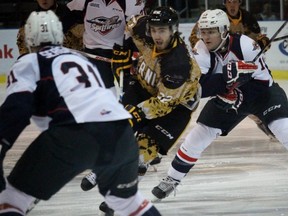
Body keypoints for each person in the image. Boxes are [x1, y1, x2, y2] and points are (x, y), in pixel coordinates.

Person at [0, 10, 161, 216]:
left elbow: (16, 109)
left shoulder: (29, 62)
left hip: (73, 133)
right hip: (121, 132)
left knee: (12, 199)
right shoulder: (81, 59)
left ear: (28, 38)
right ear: (60, 35)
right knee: (127, 202)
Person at [151, 9, 288, 201]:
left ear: (224, 31)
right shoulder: (200, 49)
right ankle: (173, 179)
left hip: (262, 96)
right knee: (197, 137)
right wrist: (226, 79)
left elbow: (265, 82)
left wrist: (242, 79)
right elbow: (199, 87)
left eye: (211, 31)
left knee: (284, 130)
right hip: (227, 97)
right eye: (203, 31)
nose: (205, 36)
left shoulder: (246, 45)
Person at [88, 6, 202, 215]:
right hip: (142, 85)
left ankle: (120, 194)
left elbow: (163, 103)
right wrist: (123, 51)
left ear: (174, 30)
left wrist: (137, 114)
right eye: (154, 29)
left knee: (144, 150)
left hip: (176, 106)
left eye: (163, 30)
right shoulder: (143, 29)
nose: (157, 35)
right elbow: (129, 26)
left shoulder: (179, 65)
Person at [189, 0, 276, 141]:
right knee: (220, 90)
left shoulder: (248, 18)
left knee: (247, 96)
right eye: (229, 2)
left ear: (239, 3)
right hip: (214, 59)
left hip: (238, 60)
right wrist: (206, 51)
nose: (232, 5)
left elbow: (254, 43)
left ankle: (260, 120)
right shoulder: (214, 16)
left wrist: (260, 43)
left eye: (235, 1)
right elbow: (196, 38)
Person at [17, 0, 84, 55]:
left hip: (69, 61)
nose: (44, 0)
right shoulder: (30, 20)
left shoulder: (70, 15)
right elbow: (23, 46)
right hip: (42, 64)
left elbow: (83, 39)